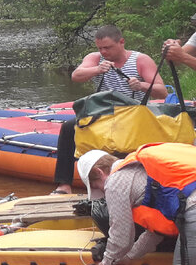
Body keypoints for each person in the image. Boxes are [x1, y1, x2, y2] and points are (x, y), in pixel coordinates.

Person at [50, 25, 166, 194]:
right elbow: (76, 76)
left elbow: (162, 91)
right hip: (102, 114)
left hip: (132, 115)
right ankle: (63, 184)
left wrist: (141, 85)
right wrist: (97, 69)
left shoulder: (140, 60)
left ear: (121, 42)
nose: (104, 52)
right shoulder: (95, 58)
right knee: (69, 127)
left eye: (108, 47)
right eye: (100, 48)